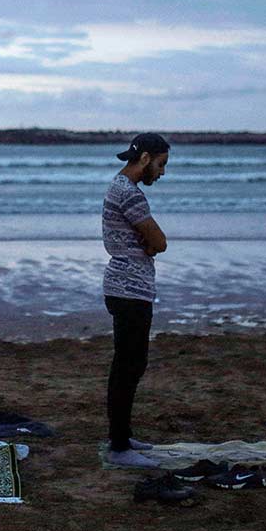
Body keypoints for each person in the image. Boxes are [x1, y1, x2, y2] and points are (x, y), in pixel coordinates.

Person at [100, 133, 170, 468]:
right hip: (129, 289)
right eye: (161, 164)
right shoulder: (130, 194)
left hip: (127, 287)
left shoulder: (120, 188)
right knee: (128, 366)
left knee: (130, 364)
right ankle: (118, 447)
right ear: (144, 159)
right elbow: (160, 241)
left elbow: (150, 241)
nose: (162, 172)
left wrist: (150, 243)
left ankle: (123, 438)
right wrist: (153, 243)